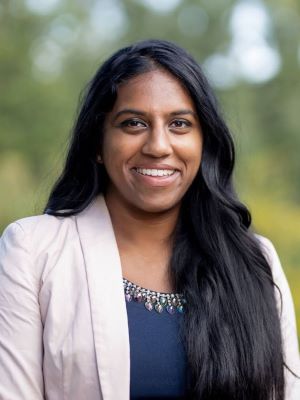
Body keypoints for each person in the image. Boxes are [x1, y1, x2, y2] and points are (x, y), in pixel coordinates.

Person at [0, 39, 299, 400]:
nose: (158, 145)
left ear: (204, 142)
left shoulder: (254, 261)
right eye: (134, 123)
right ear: (98, 142)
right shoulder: (33, 251)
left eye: (179, 124)